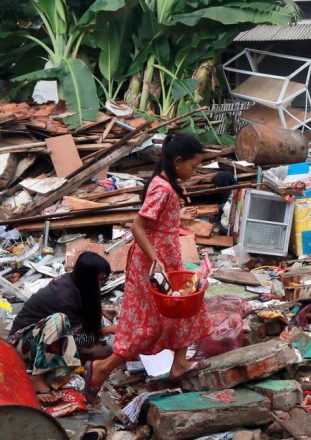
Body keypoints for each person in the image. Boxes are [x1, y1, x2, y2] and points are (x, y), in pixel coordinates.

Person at [84, 132, 215, 400]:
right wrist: (156, 259)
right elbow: (138, 226)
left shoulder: (167, 184)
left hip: (166, 258)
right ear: (178, 161)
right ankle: (102, 368)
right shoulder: (162, 187)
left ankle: (178, 363)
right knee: (146, 325)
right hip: (153, 264)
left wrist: (177, 218)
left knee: (185, 307)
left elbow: (158, 222)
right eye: (193, 165)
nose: (195, 170)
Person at [8, 252, 114, 403]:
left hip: (36, 336)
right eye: (101, 279)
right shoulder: (64, 296)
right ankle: (37, 378)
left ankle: (59, 363)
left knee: (94, 326)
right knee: (61, 321)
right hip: (22, 344)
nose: (102, 284)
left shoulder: (73, 283)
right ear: (88, 277)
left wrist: (101, 312)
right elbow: (78, 339)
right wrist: (106, 330)